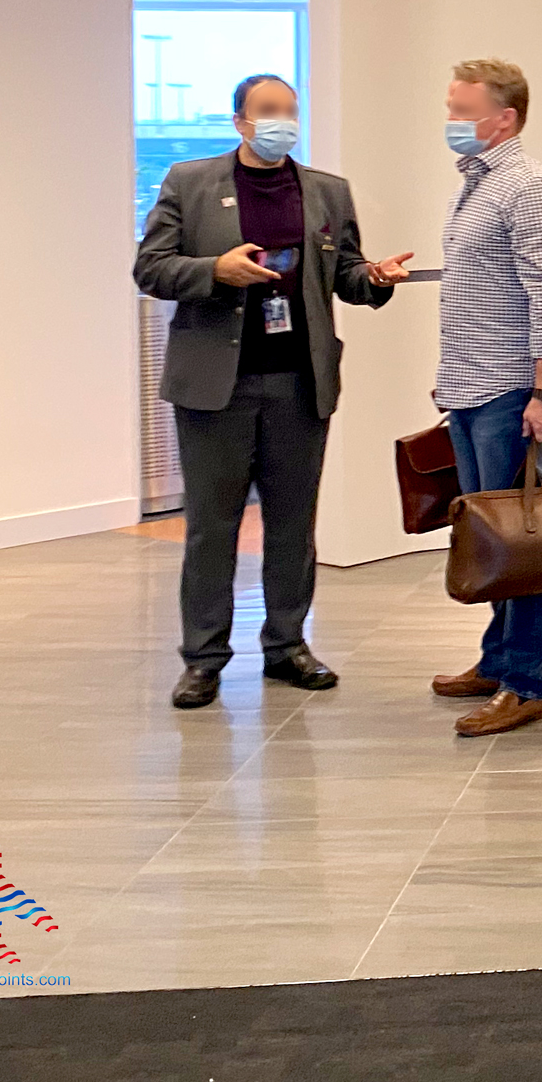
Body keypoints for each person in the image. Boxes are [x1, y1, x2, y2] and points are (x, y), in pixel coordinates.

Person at [134, 73, 413, 709]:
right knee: (212, 527)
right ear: (239, 122)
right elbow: (150, 267)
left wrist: (377, 277)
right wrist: (215, 271)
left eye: (290, 111)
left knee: (293, 524)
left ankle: (287, 645)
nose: (281, 121)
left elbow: (344, 276)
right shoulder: (190, 182)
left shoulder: (326, 192)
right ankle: (203, 659)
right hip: (214, 386)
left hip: (298, 382)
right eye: (267, 111)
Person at [426, 57, 542, 737]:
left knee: (522, 541)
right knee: (492, 541)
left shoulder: (530, 189)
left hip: (510, 392)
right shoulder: (477, 185)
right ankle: (497, 658)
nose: (451, 120)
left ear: (503, 117)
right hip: (467, 386)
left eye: (461, 109)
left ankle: (527, 681)